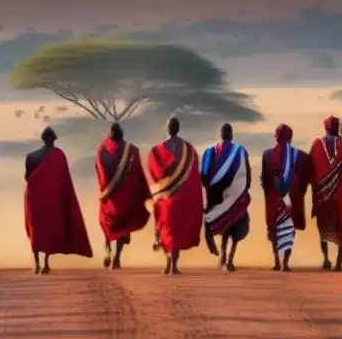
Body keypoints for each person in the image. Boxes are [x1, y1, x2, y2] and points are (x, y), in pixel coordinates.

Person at [24, 127, 93, 274]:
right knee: (50, 228)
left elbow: (27, 178)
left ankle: (37, 263)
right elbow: (64, 180)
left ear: (42, 139)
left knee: (36, 228)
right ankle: (46, 263)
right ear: (54, 139)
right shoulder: (59, 155)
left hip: (34, 197)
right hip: (53, 198)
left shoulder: (32, 157)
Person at [148, 116, 203, 275]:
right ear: (178, 129)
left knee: (165, 228)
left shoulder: (157, 150)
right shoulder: (189, 150)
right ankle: (173, 264)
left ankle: (168, 263)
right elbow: (193, 176)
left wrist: (162, 186)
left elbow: (155, 172)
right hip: (182, 196)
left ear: (168, 129)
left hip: (164, 196)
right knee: (177, 231)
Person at [95, 122, 151, 269]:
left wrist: (104, 190)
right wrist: (142, 193)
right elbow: (140, 174)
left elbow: (100, 170)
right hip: (126, 198)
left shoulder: (103, 149)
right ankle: (117, 257)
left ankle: (108, 250)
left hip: (109, 197)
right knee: (122, 228)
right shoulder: (132, 150)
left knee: (107, 224)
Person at [310, 115, 342, 271]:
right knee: (341, 227)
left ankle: (326, 259)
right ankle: (339, 261)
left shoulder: (317, 144)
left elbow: (311, 170)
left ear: (325, 127)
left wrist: (317, 188)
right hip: (341, 196)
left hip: (323, 197)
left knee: (323, 227)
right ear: (337, 128)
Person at [200, 123, 251, 272]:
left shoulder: (210, 152)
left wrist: (212, 189)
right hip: (235, 195)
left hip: (215, 196)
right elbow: (247, 175)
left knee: (224, 226)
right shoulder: (240, 151)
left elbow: (204, 176)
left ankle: (222, 255)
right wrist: (241, 191)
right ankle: (229, 260)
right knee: (235, 225)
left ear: (221, 135)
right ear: (232, 135)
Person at [260, 123, 311, 272]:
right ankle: (285, 262)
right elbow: (305, 178)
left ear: (276, 137)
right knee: (289, 230)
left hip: (273, 200)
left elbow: (264, 181)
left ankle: (276, 261)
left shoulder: (267, 154)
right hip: (291, 200)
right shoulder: (300, 156)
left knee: (275, 230)